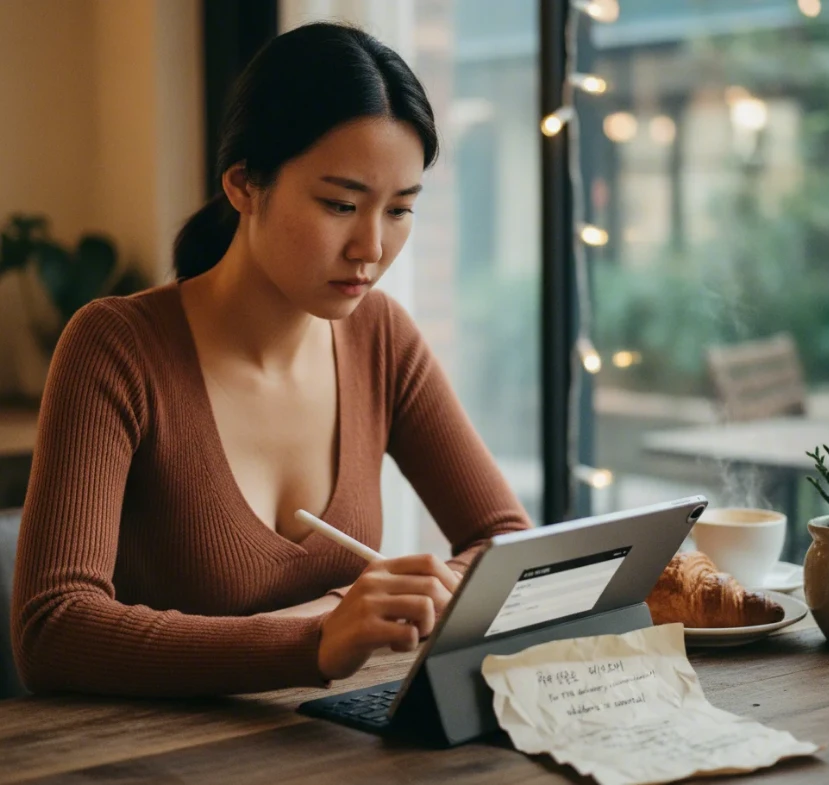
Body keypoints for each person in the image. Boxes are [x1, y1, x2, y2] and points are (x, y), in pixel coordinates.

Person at [11, 22, 531, 698]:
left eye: (399, 209)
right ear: (243, 184)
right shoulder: (115, 348)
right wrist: (315, 637)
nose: (370, 247)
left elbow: (505, 540)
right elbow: (53, 629)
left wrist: (420, 593)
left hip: (325, 742)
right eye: (339, 204)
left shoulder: (381, 337)